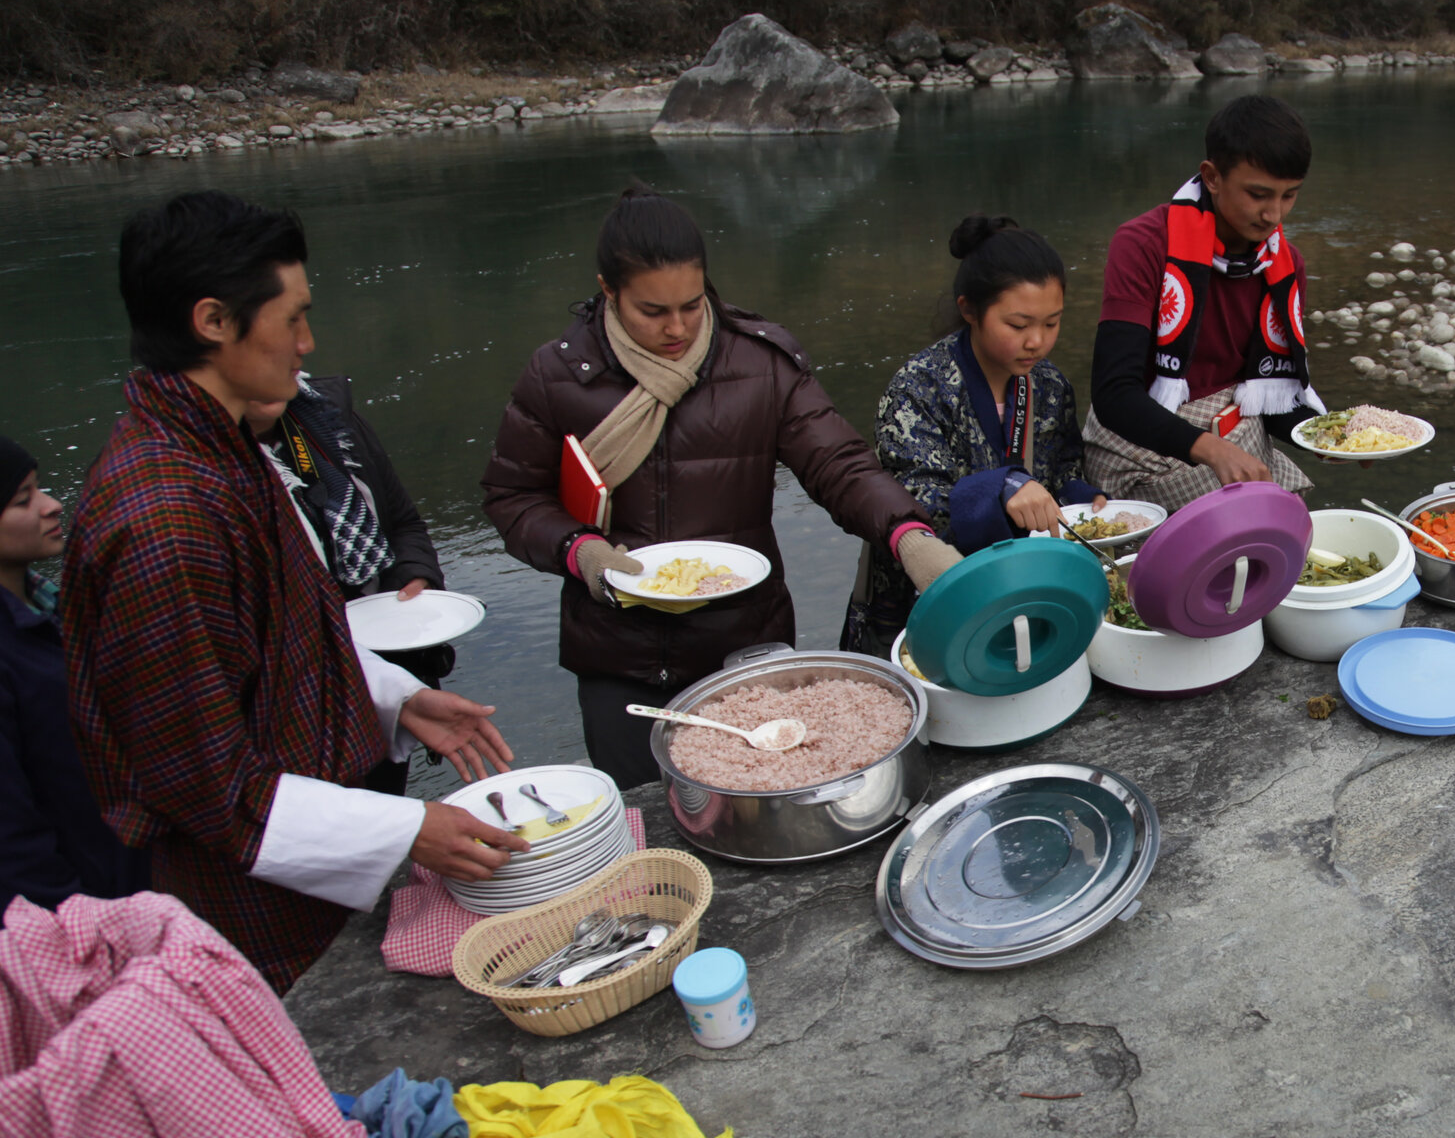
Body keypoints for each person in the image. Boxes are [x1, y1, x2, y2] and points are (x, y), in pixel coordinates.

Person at [63, 192, 528, 992]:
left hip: (307, 875)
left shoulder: (224, 448)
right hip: (255, 920)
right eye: (293, 318)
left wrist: (393, 697)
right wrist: (408, 826)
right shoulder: (163, 521)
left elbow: (283, 638)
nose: (308, 344)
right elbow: (212, 789)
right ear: (213, 321)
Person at [481, 185, 949, 790]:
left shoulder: (759, 363)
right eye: (652, 311)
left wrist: (910, 536)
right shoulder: (559, 376)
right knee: (644, 811)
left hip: (744, 648)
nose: (676, 328)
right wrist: (581, 551)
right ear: (607, 290)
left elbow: (841, 465)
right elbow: (511, 497)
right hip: (618, 654)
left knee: (756, 803)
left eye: (691, 304)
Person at [858, 216, 1108, 649]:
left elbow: (1061, 465)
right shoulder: (917, 388)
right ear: (969, 310)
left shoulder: (1050, 385)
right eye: (1018, 325)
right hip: (934, 592)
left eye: (1052, 324)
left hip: (1022, 585)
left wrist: (1081, 500)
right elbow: (914, 505)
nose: (1037, 341)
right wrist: (1005, 486)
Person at [1083, 94, 1322, 509]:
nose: (1274, 216)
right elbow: (1114, 395)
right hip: (1144, 449)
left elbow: (1264, 395)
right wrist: (1211, 449)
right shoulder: (1144, 245)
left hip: (1237, 439)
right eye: (1259, 194)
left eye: (1289, 196)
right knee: (1243, 531)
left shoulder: (1283, 264)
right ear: (1211, 177)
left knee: (1272, 534)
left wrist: (1332, 436)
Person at [243, 374, 450, 794]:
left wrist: (415, 576)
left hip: (386, 672)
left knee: (384, 806)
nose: (304, 344)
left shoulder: (327, 418)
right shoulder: (195, 476)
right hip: (294, 716)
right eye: (286, 324)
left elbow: (403, 522)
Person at [0, 438, 150, 913]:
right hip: (77, 904)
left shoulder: (53, 607)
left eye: (40, 489)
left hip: (124, 870)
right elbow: (10, 826)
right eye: (24, 500)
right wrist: (74, 914)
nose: (51, 506)